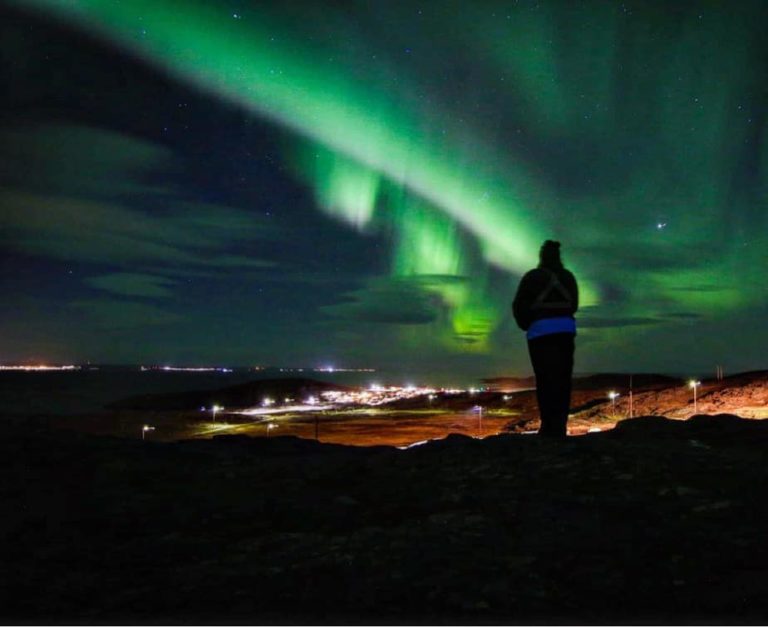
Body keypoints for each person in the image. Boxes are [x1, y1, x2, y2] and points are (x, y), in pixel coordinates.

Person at [512, 240, 579, 438]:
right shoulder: (568, 277)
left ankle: (548, 427)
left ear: (542, 256)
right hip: (566, 330)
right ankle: (560, 427)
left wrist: (528, 323)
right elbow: (573, 305)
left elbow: (519, 306)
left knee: (545, 378)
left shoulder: (532, 277)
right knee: (562, 379)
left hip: (540, 332)